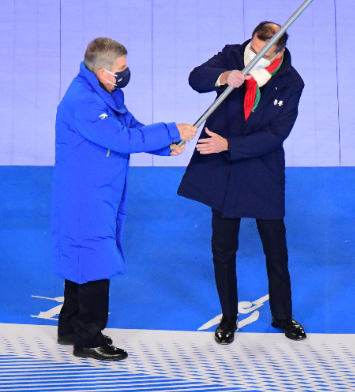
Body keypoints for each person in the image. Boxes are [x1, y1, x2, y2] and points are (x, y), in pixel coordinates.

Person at [52, 38, 197, 361]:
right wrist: (172, 129)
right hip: (85, 194)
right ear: (103, 71)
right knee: (94, 259)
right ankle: (88, 338)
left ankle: (70, 327)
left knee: (81, 256)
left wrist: (165, 144)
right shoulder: (83, 101)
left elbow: (130, 126)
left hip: (97, 188)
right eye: (122, 69)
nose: (126, 73)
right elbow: (118, 138)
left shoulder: (106, 91)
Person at [177, 22, 307, 344]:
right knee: (223, 248)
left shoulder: (291, 81)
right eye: (253, 46)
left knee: (275, 248)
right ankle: (229, 317)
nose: (255, 54)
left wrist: (230, 146)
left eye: (264, 52)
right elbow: (196, 78)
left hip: (261, 167)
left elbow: (277, 134)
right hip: (225, 171)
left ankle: (282, 315)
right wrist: (222, 77)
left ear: (279, 50)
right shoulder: (232, 55)